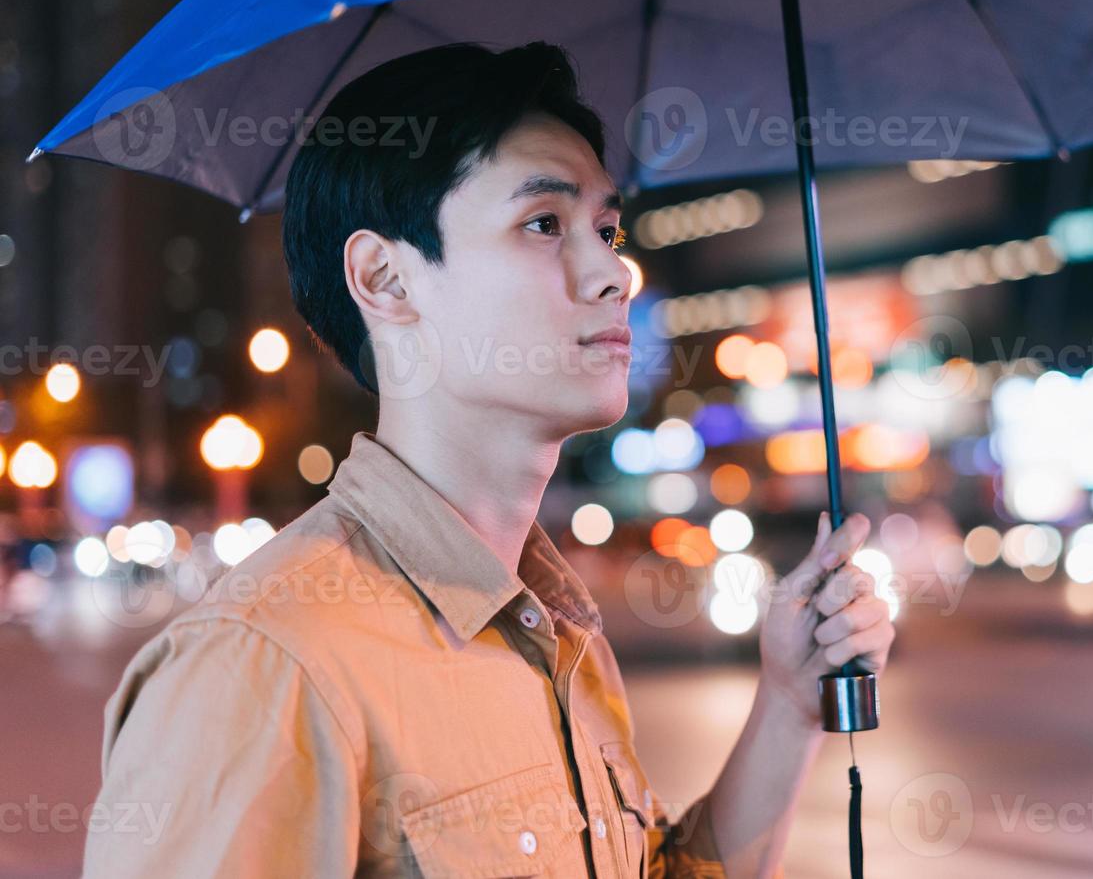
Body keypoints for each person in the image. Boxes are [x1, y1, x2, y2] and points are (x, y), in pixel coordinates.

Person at [82, 42, 894, 878]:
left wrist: (791, 704)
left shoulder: (556, 635)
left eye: (607, 230)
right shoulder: (264, 665)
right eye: (544, 224)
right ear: (386, 280)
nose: (615, 272)